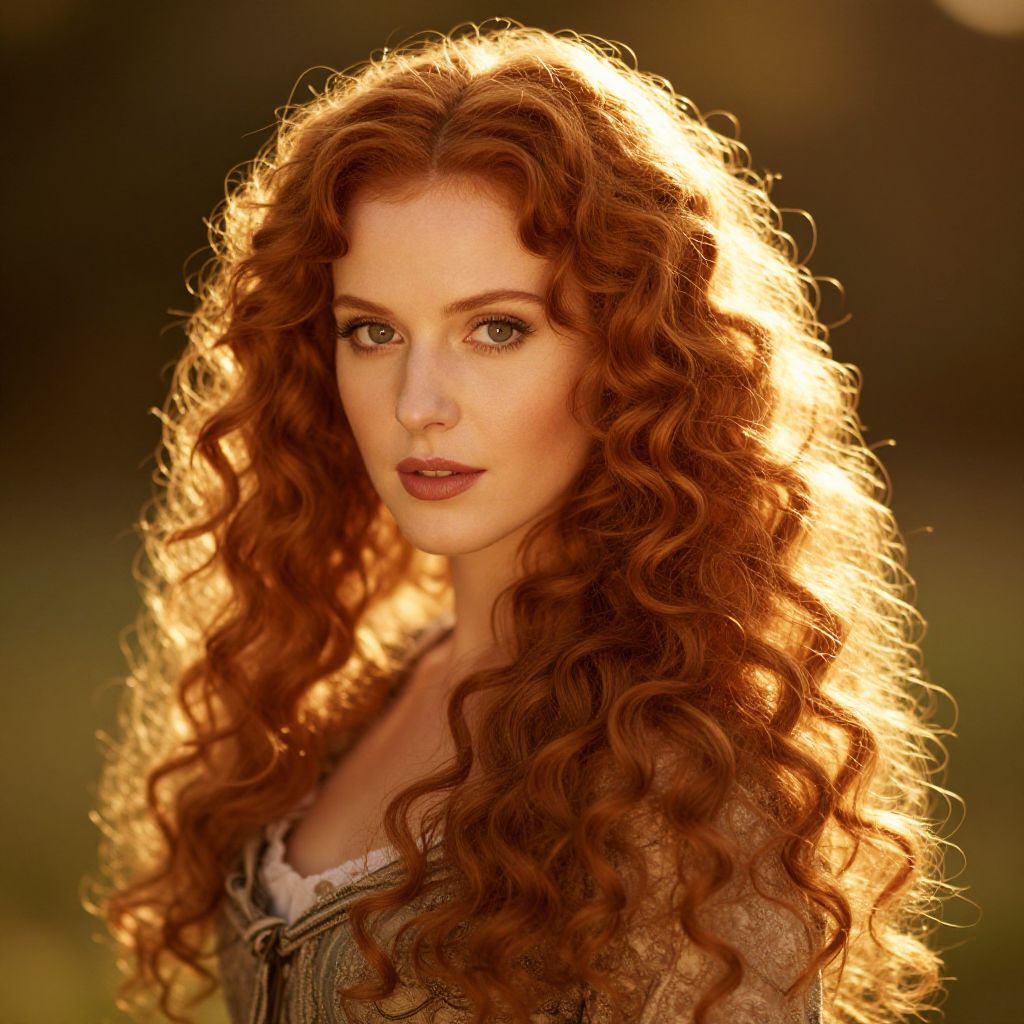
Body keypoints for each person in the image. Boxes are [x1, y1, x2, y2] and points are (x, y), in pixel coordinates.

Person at [84, 19, 953, 1024]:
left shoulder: (681, 783)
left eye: (495, 329)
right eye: (372, 332)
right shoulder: (362, 698)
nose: (418, 402)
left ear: (630, 356)